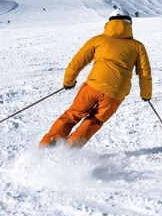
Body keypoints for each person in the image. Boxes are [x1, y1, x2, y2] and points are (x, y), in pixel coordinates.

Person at [40, 12, 153, 149]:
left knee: (72, 115)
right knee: (95, 121)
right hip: (115, 94)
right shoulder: (137, 46)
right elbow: (144, 73)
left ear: (109, 23)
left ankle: (48, 144)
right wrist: (146, 94)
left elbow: (77, 62)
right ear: (129, 24)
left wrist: (69, 81)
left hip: (92, 87)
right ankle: (68, 150)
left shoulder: (98, 40)